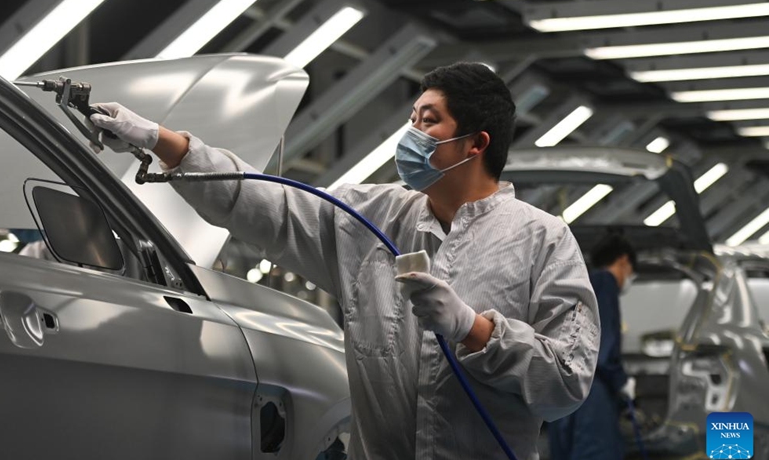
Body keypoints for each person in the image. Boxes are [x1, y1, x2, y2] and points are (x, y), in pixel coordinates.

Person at [89, 62, 600, 460]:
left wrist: (474, 331)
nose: (412, 135)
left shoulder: (542, 240)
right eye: (412, 119)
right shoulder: (371, 216)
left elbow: (568, 382)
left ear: (476, 143)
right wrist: (163, 142)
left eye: (429, 121)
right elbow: (270, 205)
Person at [547, 233, 638, 460]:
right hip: (592, 393)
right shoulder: (605, 283)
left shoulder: (579, 284)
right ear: (624, 261)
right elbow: (602, 348)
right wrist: (622, 383)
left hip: (563, 392)